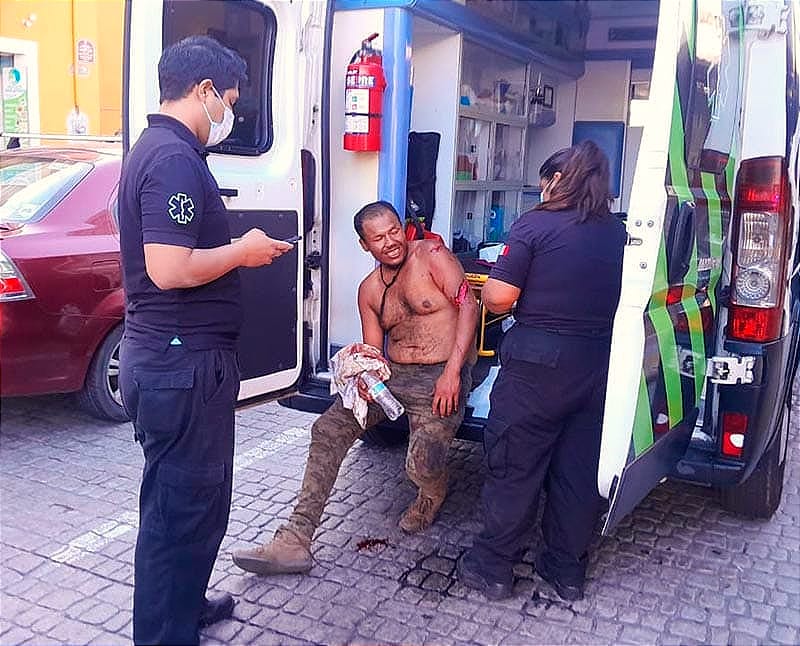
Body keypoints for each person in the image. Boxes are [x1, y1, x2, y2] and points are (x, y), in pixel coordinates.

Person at [118, 35, 293, 645]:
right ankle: (165, 635)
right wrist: (242, 252)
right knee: (179, 513)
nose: (231, 116)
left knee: (192, 504)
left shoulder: (166, 152)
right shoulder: (172, 160)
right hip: (180, 364)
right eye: (231, 103)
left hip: (178, 362)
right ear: (204, 91)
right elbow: (168, 268)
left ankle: (184, 608)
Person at [232, 200, 479, 575]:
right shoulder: (369, 290)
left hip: (440, 375)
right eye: (378, 238)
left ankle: (432, 490)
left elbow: (468, 306)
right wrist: (365, 377)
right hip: (394, 375)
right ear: (365, 246)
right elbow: (373, 353)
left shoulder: (432, 256)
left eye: (394, 231)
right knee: (327, 429)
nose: (390, 242)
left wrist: (454, 373)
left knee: (421, 465)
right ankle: (294, 539)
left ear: (403, 227)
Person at [457, 141, 627, 602]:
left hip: (537, 363)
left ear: (557, 179)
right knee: (576, 470)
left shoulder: (536, 223)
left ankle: (492, 565)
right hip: (594, 363)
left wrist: (491, 282)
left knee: (515, 462)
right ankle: (565, 571)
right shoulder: (614, 231)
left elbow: (500, 298)